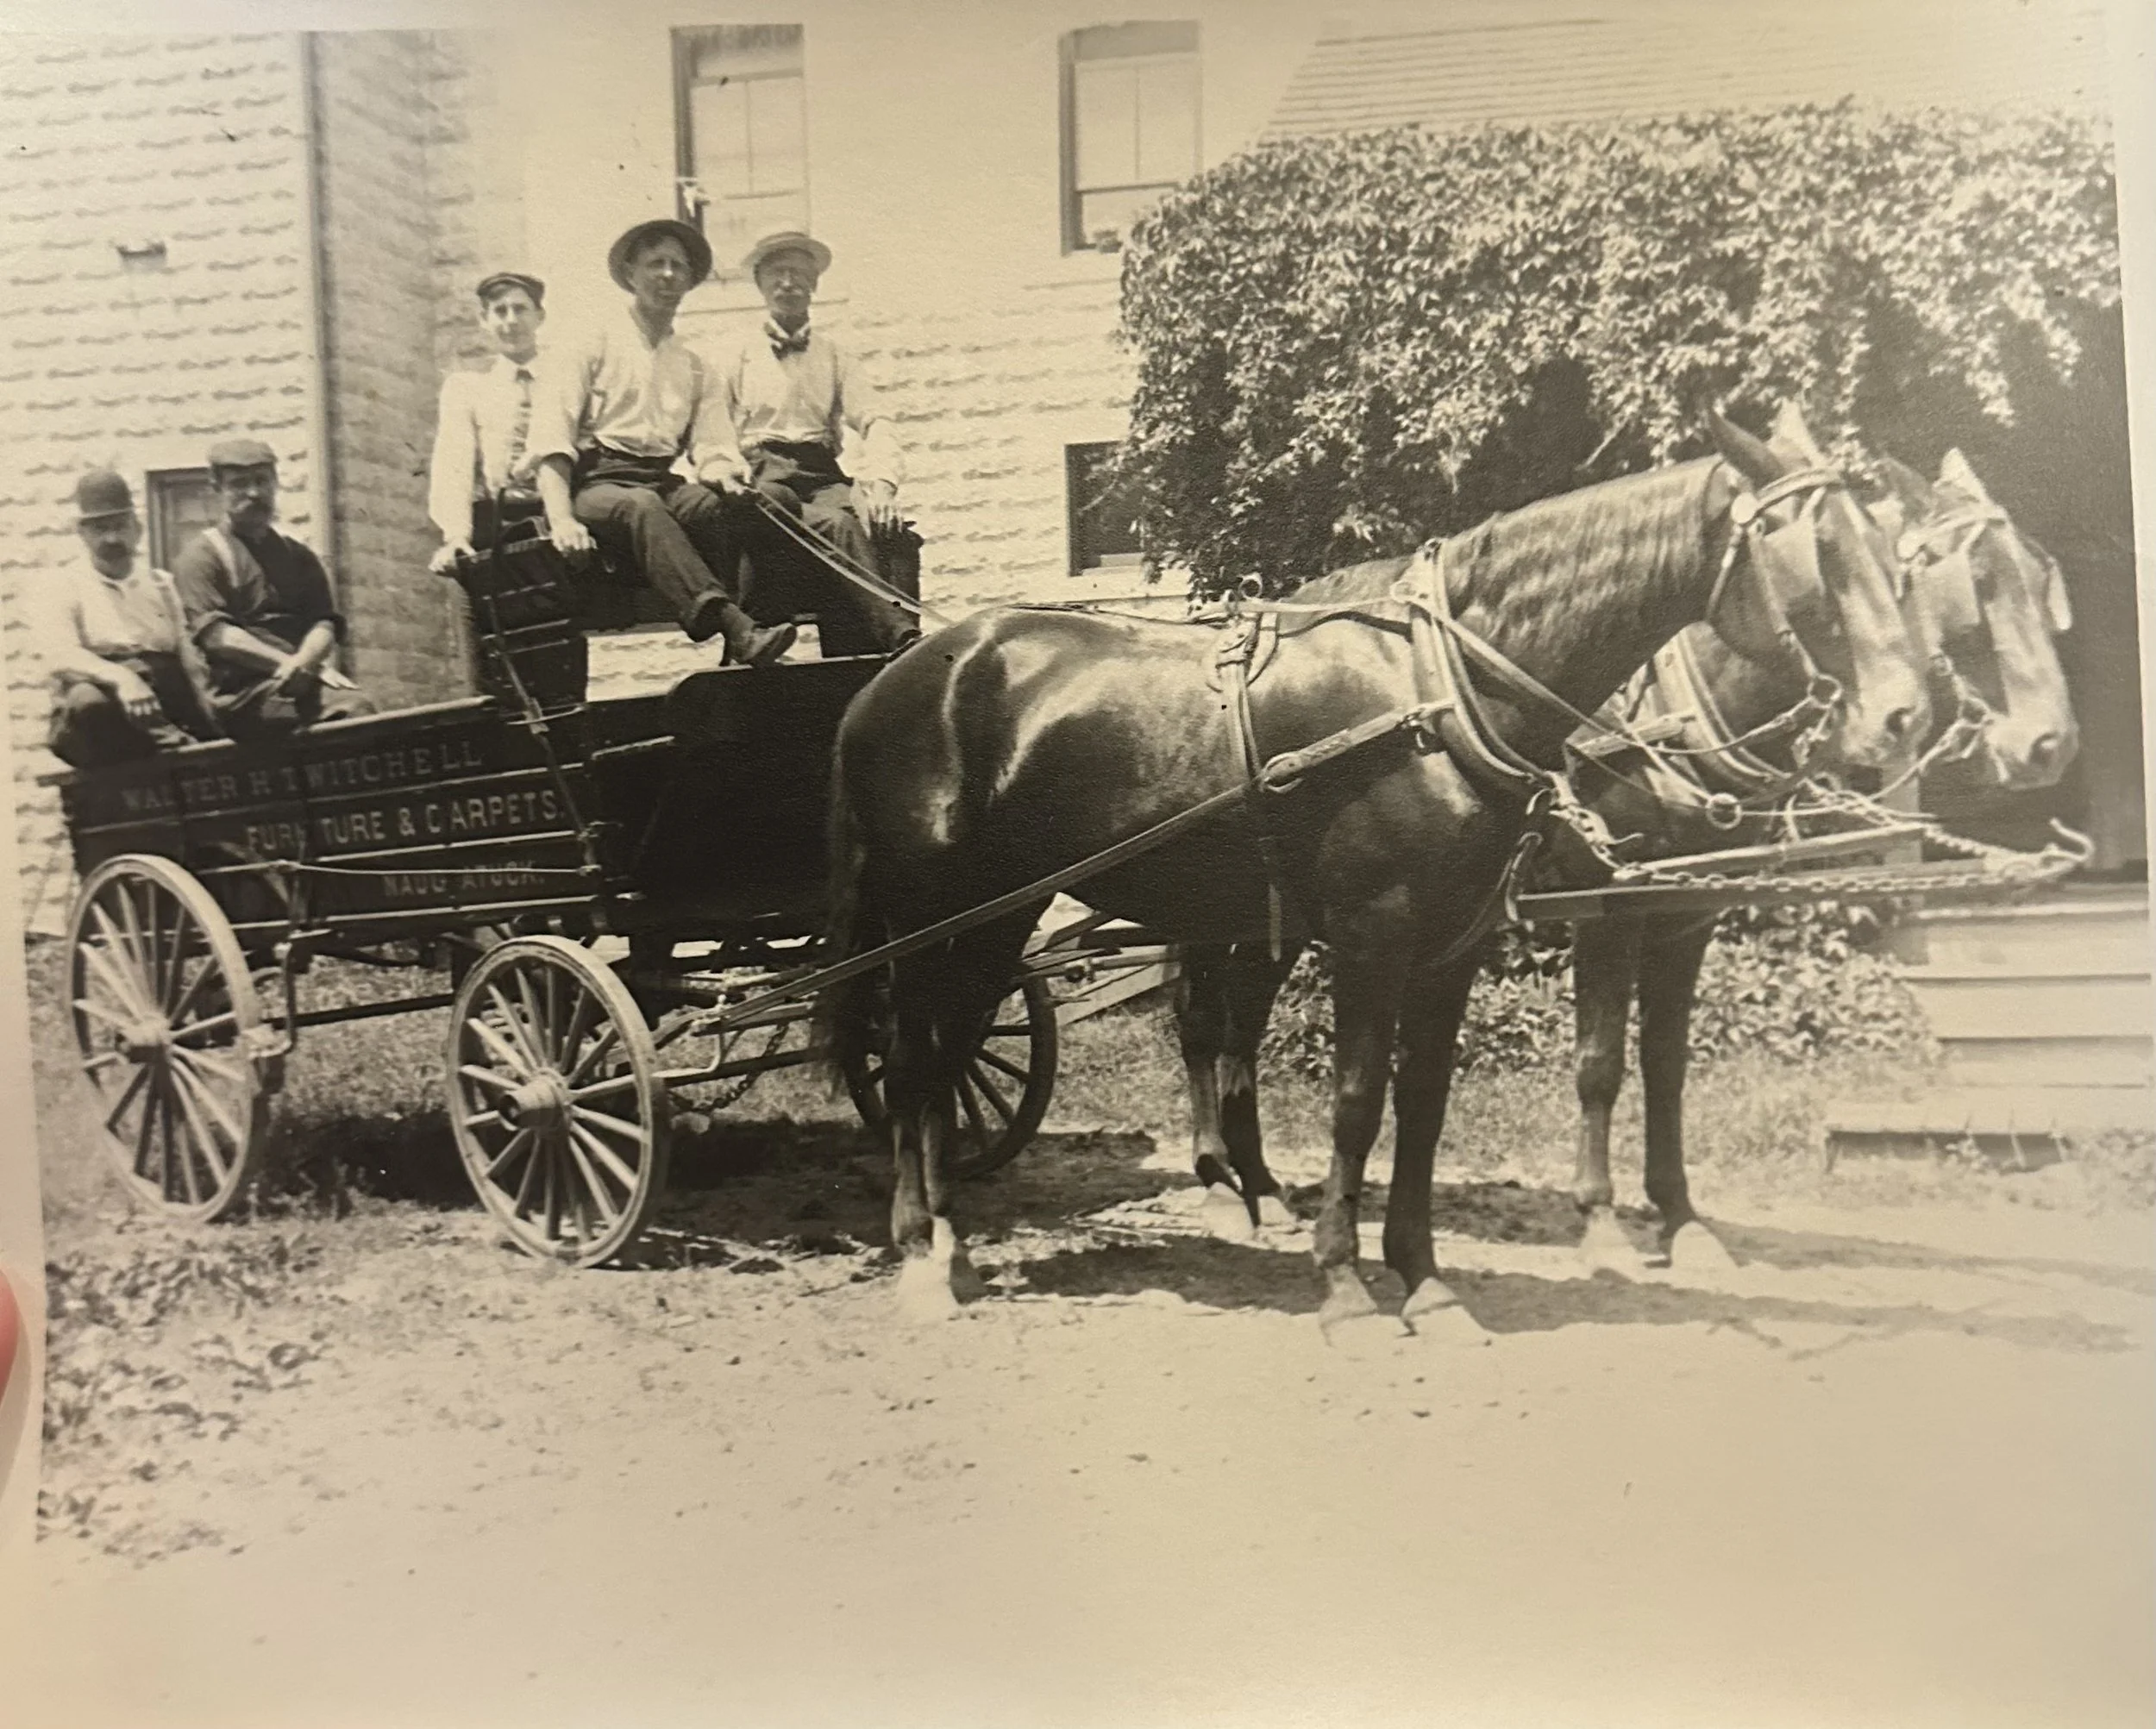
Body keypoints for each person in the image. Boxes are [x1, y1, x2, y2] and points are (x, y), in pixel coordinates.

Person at [527, 217, 795, 667]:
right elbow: (552, 436)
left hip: (660, 480)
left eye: (678, 266)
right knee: (642, 508)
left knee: (722, 507)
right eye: (655, 264)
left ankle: (743, 650)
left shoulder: (694, 364)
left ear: (690, 281)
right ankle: (735, 627)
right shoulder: (590, 343)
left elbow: (713, 446)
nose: (668, 275)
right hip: (596, 485)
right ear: (631, 274)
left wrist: (726, 474)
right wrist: (560, 519)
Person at [710, 230, 918, 655]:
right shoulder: (733, 352)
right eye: (777, 274)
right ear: (760, 284)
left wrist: (881, 485)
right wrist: (728, 470)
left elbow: (875, 418)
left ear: (815, 286)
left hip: (821, 472)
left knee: (888, 533)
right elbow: (712, 428)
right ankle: (896, 634)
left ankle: (869, 663)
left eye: (799, 274)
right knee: (837, 525)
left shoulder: (836, 355)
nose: (788, 283)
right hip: (761, 469)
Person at [172, 438, 377, 736]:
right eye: (240, 484)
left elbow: (324, 622)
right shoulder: (202, 557)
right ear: (216, 490)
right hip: (242, 694)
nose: (254, 493)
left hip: (299, 680)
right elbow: (219, 637)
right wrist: (290, 665)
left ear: (275, 483)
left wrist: (306, 662)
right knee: (345, 711)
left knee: (361, 711)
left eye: (262, 481)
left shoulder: (297, 555)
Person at [39, 468, 222, 767]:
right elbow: (60, 654)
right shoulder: (62, 585)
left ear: (137, 528)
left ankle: (173, 742)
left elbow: (188, 659)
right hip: (105, 708)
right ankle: (158, 745)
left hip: (162, 698)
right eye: (100, 528)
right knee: (88, 703)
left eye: (120, 525)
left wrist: (210, 719)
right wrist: (123, 678)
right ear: (82, 533)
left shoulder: (161, 584)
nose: (112, 537)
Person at [428, 269, 549, 573]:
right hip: (499, 521)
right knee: (469, 586)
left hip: (559, 513)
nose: (511, 321)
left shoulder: (564, 378)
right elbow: (453, 465)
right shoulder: (469, 388)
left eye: (520, 309)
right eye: (500, 311)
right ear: (485, 320)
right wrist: (456, 534)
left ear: (540, 316)